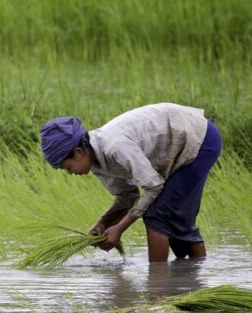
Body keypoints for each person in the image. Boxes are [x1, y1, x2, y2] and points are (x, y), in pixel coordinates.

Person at [39, 103, 221, 263]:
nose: (70, 173)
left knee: (157, 217)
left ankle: (157, 289)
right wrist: (103, 223)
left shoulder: (115, 146)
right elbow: (128, 197)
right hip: (180, 148)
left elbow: (154, 186)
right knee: (175, 223)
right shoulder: (96, 162)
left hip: (199, 140)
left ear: (78, 152)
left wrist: (119, 228)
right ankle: (193, 276)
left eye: (67, 167)